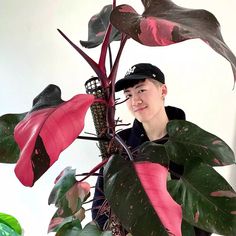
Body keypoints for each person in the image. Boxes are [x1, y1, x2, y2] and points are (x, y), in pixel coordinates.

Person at [92, 63, 211, 236]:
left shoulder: (190, 142)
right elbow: (100, 208)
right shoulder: (120, 144)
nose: (135, 101)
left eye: (141, 90)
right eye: (128, 94)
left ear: (163, 91)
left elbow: (206, 208)